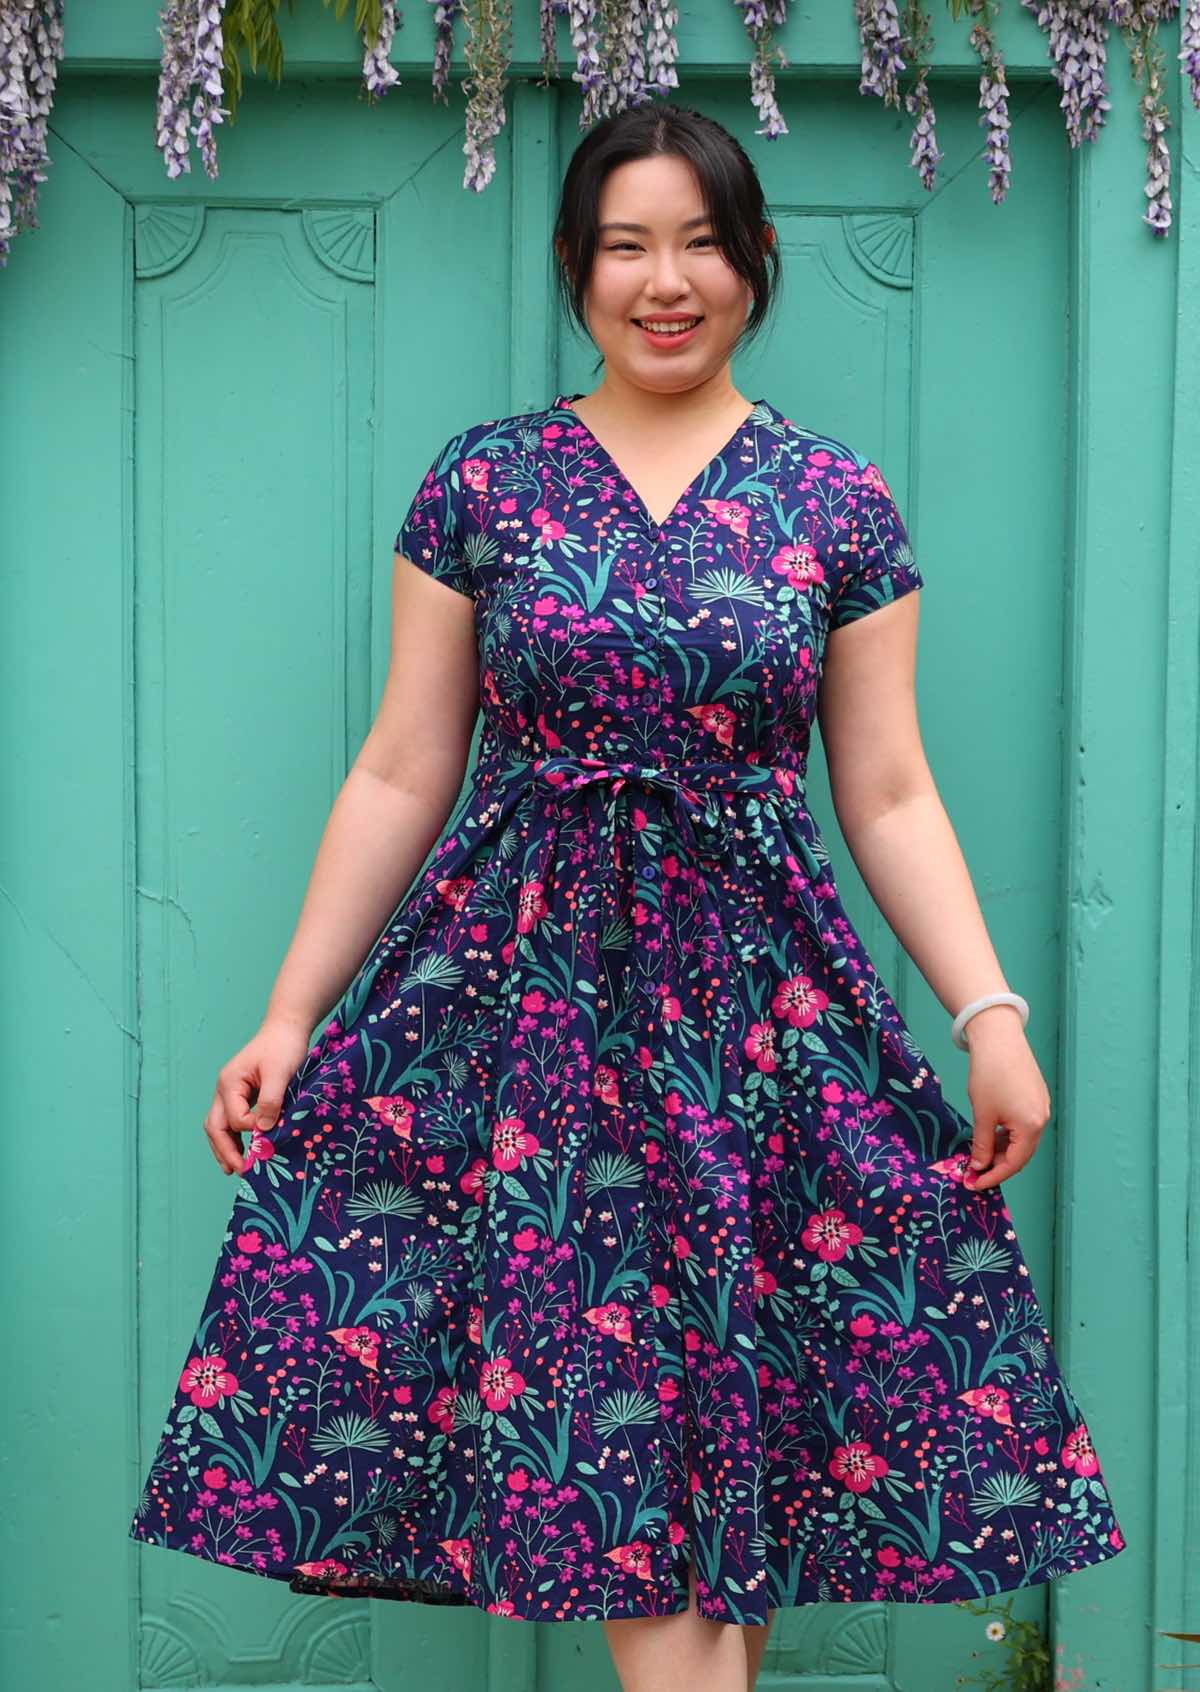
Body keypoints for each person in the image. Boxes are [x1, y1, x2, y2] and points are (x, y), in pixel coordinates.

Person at [128, 101, 1125, 1692]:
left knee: (741, 1460)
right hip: (530, 1018)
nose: (667, 281)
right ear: (575, 272)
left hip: (758, 1023)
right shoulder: (488, 484)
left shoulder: (833, 501)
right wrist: (290, 1014)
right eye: (625, 247)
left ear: (757, 261)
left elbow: (886, 789)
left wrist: (987, 1017)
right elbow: (403, 768)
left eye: (702, 243)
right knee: (624, 1467)